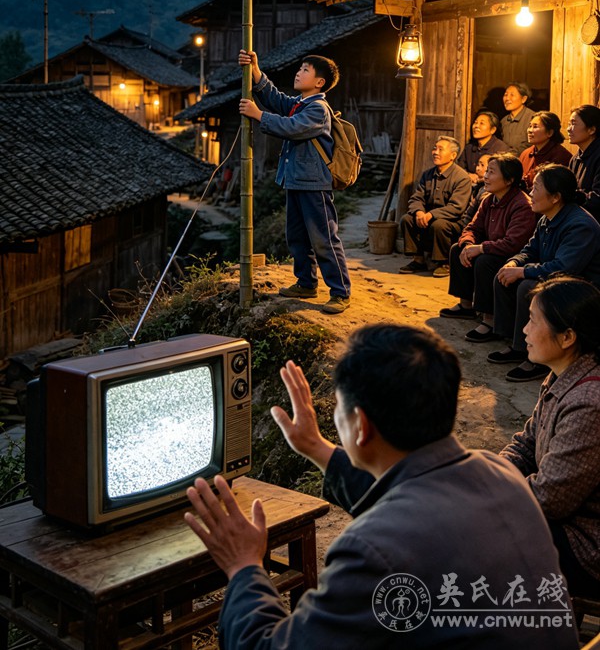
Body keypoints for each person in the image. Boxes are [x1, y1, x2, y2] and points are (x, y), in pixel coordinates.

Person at [184, 325, 577, 649]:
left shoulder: (368, 552)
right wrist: (318, 448)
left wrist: (244, 566)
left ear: (361, 425)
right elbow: (411, 505)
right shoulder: (501, 474)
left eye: (337, 409)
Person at [500, 275, 600, 599]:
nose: (524, 330)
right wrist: (494, 472)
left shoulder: (589, 402)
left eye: (532, 321)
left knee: (477, 537)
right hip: (564, 522)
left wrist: (488, 495)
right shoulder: (562, 375)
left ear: (568, 336)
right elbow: (526, 443)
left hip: (587, 545)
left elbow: (549, 500)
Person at [238, 50, 351, 314]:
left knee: (324, 238)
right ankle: (306, 283)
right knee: (297, 236)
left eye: (305, 70)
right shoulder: (301, 103)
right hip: (297, 181)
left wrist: (258, 115)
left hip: (314, 183)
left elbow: (292, 127)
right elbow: (276, 100)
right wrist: (256, 71)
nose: (299, 73)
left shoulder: (318, 109)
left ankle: (340, 292)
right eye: (300, 68)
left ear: (319, 82)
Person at [488, 164, 600, 382]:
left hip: (582, 287)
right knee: (505, 273)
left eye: (536, 188)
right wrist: (513, 263)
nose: (531, 193)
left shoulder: (580, 225)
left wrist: (523, 272)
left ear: (555, 196)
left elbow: (564, 268)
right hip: (559, 279)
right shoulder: (546, 218)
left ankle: (535, 360)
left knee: (528, 286)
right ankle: (517, 344)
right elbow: (530, 250)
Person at [440, 154, 536, 321]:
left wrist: (481, 248)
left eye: (491, 172)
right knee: (459, 249)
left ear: (509, 180)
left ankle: (489, 319)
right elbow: (472, 228)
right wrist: (468, 244)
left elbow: (513, 244)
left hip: (513, 257)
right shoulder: (488, 200)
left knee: (485, 261)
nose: (485, 176)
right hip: (492, 248)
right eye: (487, 172)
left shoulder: (522, 205)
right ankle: (466, 306)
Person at [399, 136, 472, 277]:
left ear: (453, 156)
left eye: (440, 149)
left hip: (452, 221)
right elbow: (416, 198)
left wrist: (432, 214)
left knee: (439, 225)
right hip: (428, 217)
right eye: (434, 148)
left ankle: (444, 262)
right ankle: (418, 260)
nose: (435, 152)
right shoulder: (427, 174)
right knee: (407, 219)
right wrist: (419, 212)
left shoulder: (461, 177)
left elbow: (457, 207)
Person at [520, 111, 571, 191]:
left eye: (535, 127)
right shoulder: (525, 153)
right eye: (530, 126)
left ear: (550, 133)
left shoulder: (561, 156)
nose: (530, 130)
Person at [567, 104, 600, 222]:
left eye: (573, 124)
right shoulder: (575, 158)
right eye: (568, 124)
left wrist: (570, 197)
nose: (568, 129)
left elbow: (597, 198)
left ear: (591, 129)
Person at [457, 111, 510, 180]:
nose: (476, 126)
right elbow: (459, 168)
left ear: (493, 130)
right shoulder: (469, 148)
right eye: (475, 122)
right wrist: (468, 175)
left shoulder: (501, 149)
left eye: (482, 123)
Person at [500, 82, 534, 155]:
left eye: (512, 95)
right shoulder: (503, 121)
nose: (507, 98)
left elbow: (531, 144)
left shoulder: (532, 118)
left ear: (523, 99)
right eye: (506, 95)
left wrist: (509, 154)